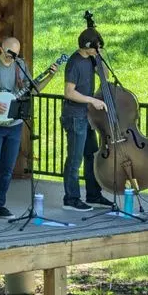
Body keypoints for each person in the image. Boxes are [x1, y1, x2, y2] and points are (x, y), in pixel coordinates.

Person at [0, 37, 57, 223]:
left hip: (14, 125)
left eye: (16, 54)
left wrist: (50, 75)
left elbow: (31, 90)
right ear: (1, 48)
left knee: (8, 168)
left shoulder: (20, 65)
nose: (12, 56)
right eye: (10, 52)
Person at [61, 28, 114, 212]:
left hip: (87, 116)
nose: (96, 51)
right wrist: (92, 100)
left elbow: (105, 77)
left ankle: (93, 194)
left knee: (91, 156)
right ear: (86, 46)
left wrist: (100, 59)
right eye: (95, 48)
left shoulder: (91, 59)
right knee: (75, 160)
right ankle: (71, 198)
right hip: (75, 116)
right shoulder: (75, 63)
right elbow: (69, 92)